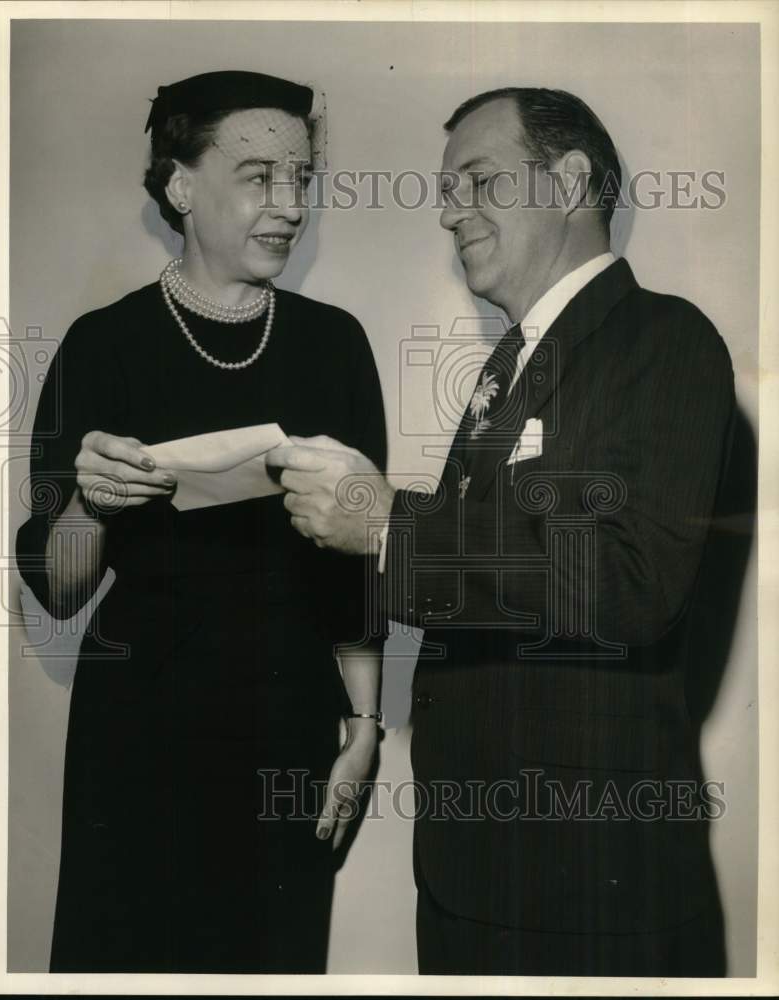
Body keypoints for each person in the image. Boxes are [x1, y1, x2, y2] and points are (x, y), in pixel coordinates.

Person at [268, 87, 735, 976]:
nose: (447, 212)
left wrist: (387, 527)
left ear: (567, 181)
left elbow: (630, 581)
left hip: (583, 886)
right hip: (469, 874)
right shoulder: (506, 364)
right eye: (446, 192)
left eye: (476, 181)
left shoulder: (664, 340)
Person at [16, 70, 386, 974]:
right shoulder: (103, 344)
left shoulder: (334, 342)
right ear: (181, 187)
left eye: (302, 177)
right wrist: (89, 503)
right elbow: (60, 593)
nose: (290, 204)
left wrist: (365, 728)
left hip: (288, 728)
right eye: (259, 175)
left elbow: (361, 568)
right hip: (139, 734)